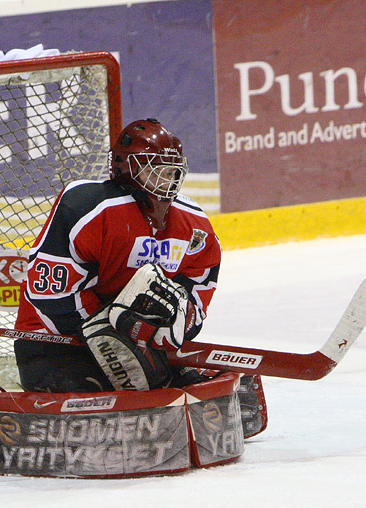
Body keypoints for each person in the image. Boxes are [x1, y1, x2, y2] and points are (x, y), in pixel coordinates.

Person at [13, 118, 221, 393]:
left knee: (185, 387)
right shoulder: (87, 208)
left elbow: (200, 279)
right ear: (126, 168)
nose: (167, 181)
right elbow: (50, 294)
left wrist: (179, 325)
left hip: (141, 343)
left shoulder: (192, 224)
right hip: (57, 340)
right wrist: (117, 332)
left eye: (172, 172)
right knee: (97, 396)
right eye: (155, 171)